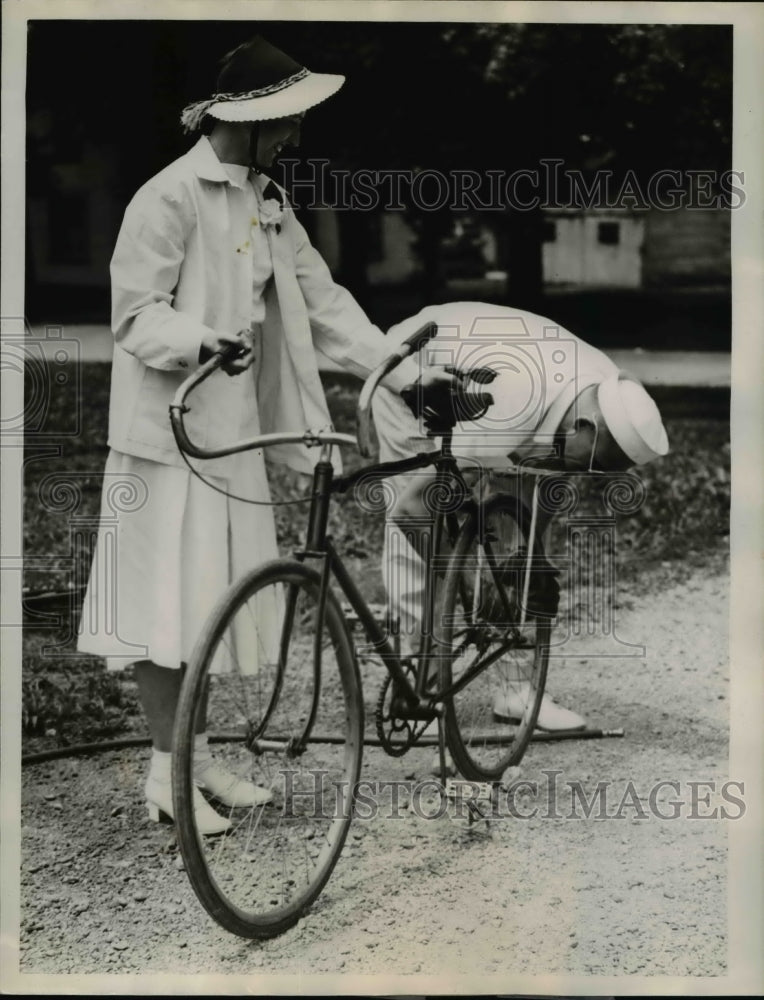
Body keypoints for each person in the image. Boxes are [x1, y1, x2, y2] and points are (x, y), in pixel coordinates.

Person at [77, 35, 457, 834]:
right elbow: (134, 314)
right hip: (164, 436)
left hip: (235, 439)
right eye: (286, 121)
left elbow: (323, 305)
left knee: (212, 599)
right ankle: (162, 778)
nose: (294, 137)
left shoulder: (267, 202)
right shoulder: (168, 197)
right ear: (246, 119)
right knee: (160, 608)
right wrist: (203, 340)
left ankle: (199, 759)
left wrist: (398, 368)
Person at [372, 301, 670, 735]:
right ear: (584, 426)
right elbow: (412, 513)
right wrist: (469, 578)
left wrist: (525, 557)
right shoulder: (515, 403)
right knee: (424, 539)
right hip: (415, 375)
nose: (584, 477)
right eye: (593, 466)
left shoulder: (601, 394)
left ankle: (514, 691)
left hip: (497, 389)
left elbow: (549, 488)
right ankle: (416, 691)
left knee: (511, 554)